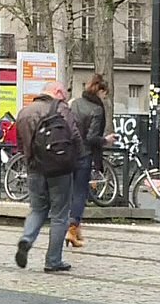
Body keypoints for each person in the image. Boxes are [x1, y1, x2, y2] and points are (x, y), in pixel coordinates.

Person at [14, 80, 81, 273]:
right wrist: (76, 161)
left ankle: (27, 238)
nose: (67, 96)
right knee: (60, 215)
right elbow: (75, 136)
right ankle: (53, 261)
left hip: (35, 168)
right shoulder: (61, 109)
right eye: (66, 92)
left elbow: (20, 145)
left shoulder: (25, 112)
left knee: (37, 209)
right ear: (58, 92)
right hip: (60, 170)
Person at [68, 74, 117, 248]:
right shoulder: (97, 109)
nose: (105, 97)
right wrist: (106, 140)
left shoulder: (75, 103)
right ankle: (72, 228)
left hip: (68, 153)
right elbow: (91, 137)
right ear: (100, 91)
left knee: (72, 191)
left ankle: (75, 229)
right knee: (81, 193)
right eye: (105, 94)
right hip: (84, 154)